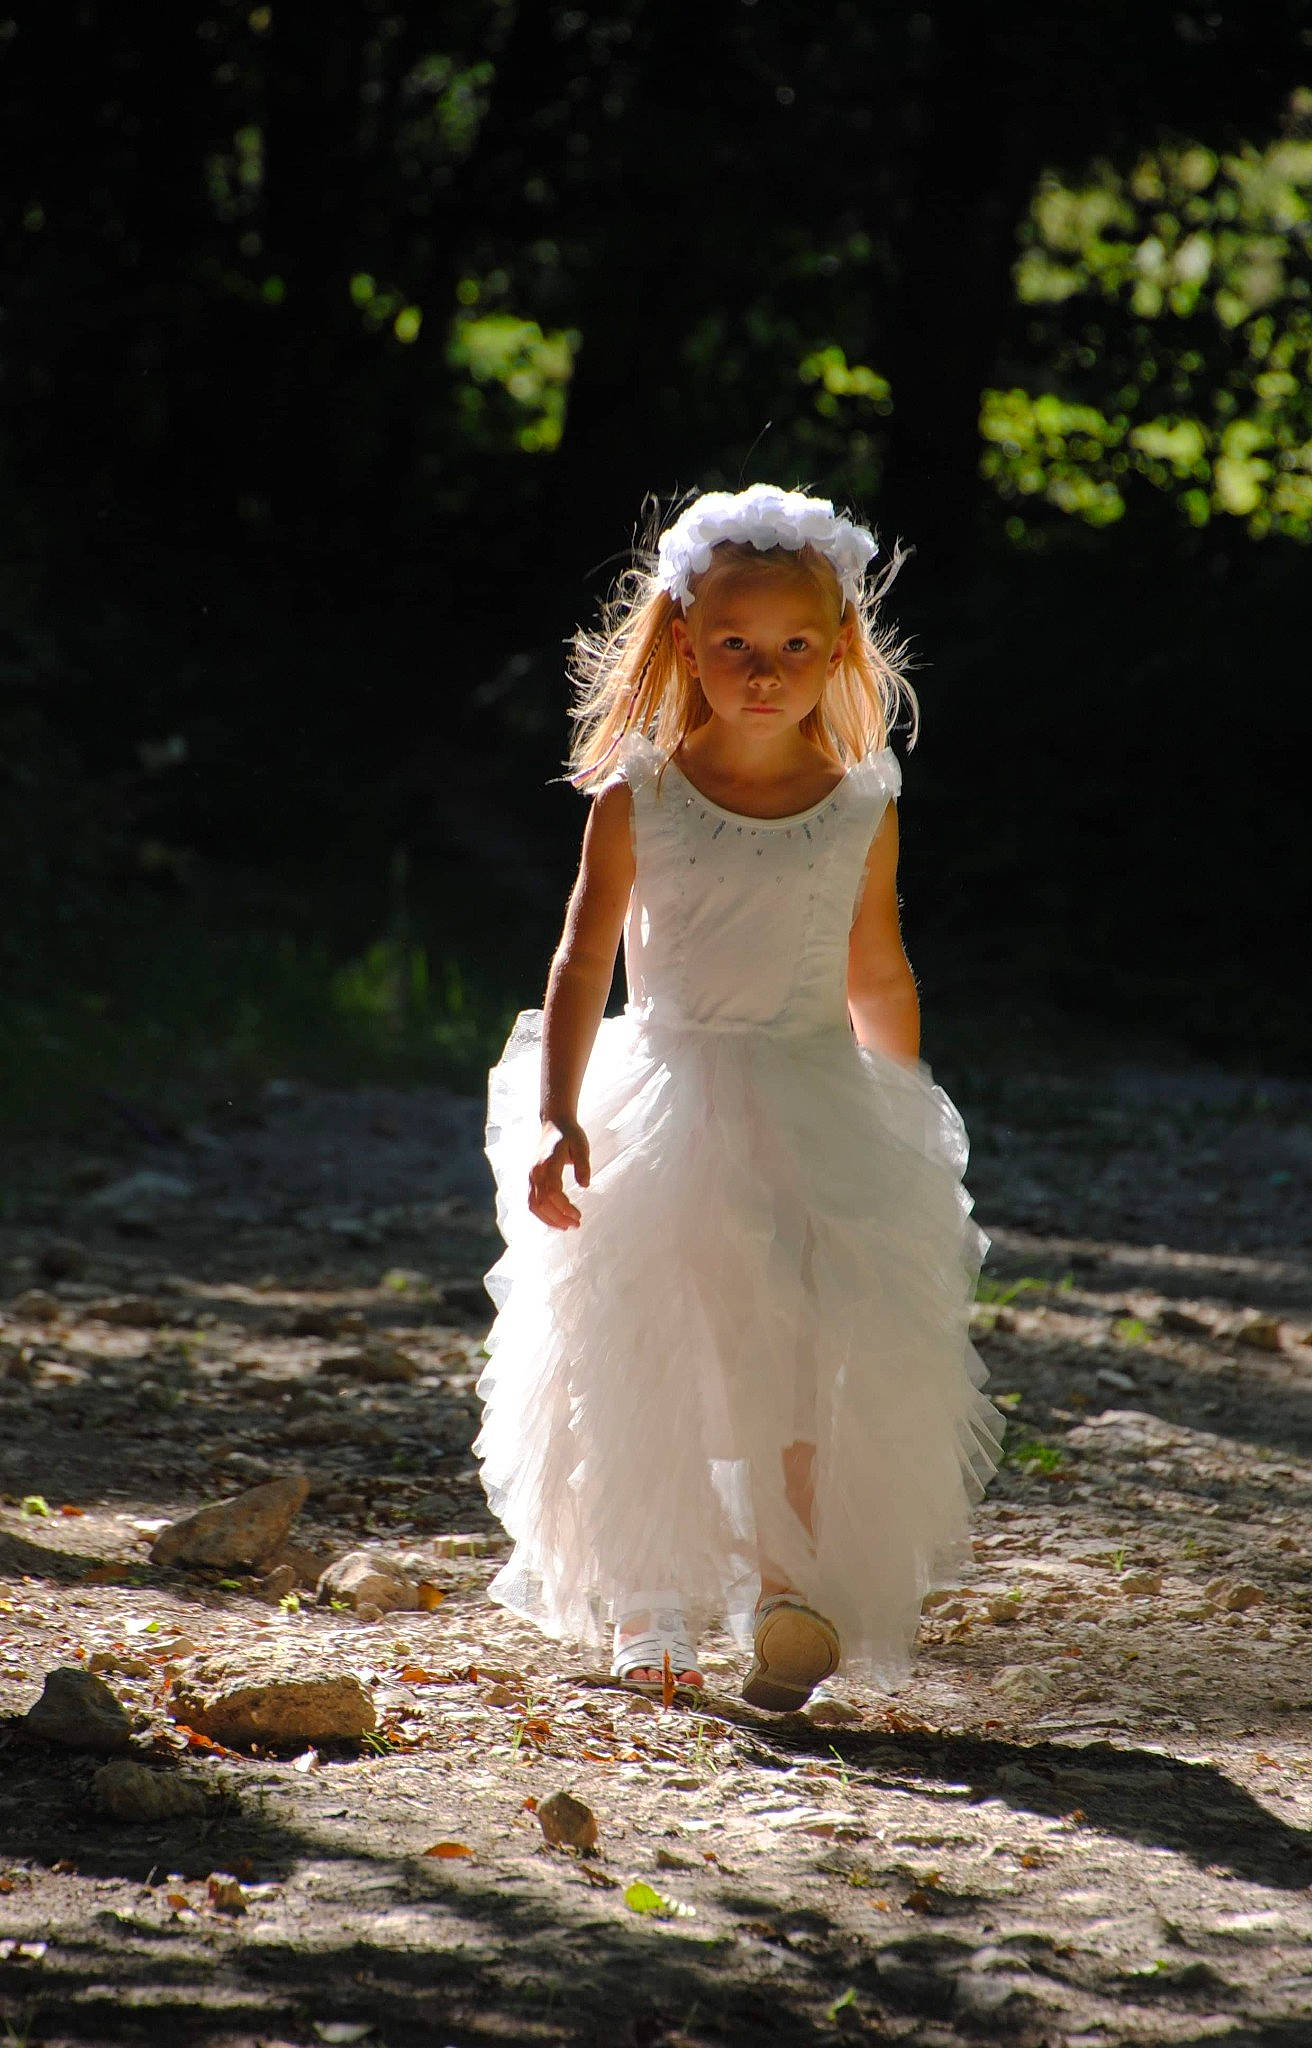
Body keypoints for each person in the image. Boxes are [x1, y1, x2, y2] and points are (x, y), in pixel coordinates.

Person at [475, 483, 1004, 1711]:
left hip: (816, 1096)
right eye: (735, 647)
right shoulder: (639, 796)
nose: (764, 672)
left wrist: (901, 1112)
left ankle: (788, 1587)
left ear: (837, 652)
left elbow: (876, 965)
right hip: (663, 1096)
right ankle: (651, 1598)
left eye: (794, 649)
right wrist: (558, 1115)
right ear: (680, 639)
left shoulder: (859, 805)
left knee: (805, 1339)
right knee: (653, 1340)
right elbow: (581, 960)